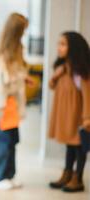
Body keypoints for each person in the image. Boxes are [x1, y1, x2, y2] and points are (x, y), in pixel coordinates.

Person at [0, 13, 28, 190]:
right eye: (23, 30)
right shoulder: (2, 55)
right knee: (1, 143)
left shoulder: (17, 51)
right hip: (1, 107)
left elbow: (15, 77)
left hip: (12, 106)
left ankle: (9, 175)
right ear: (16, 32)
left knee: (12, 142)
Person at [48, 31, 90, 193]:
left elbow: (87, 95)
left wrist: (87, 117)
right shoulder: (63, 68)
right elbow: (52, 87)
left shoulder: (80, 71)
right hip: (67, 116)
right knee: (70, 146)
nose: (59, 47)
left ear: (73, 48)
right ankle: (67, 173)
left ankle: (77, 178)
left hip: (78, 117)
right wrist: (57, 74)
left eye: (63, 44)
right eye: (59, 43)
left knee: (79, 147)